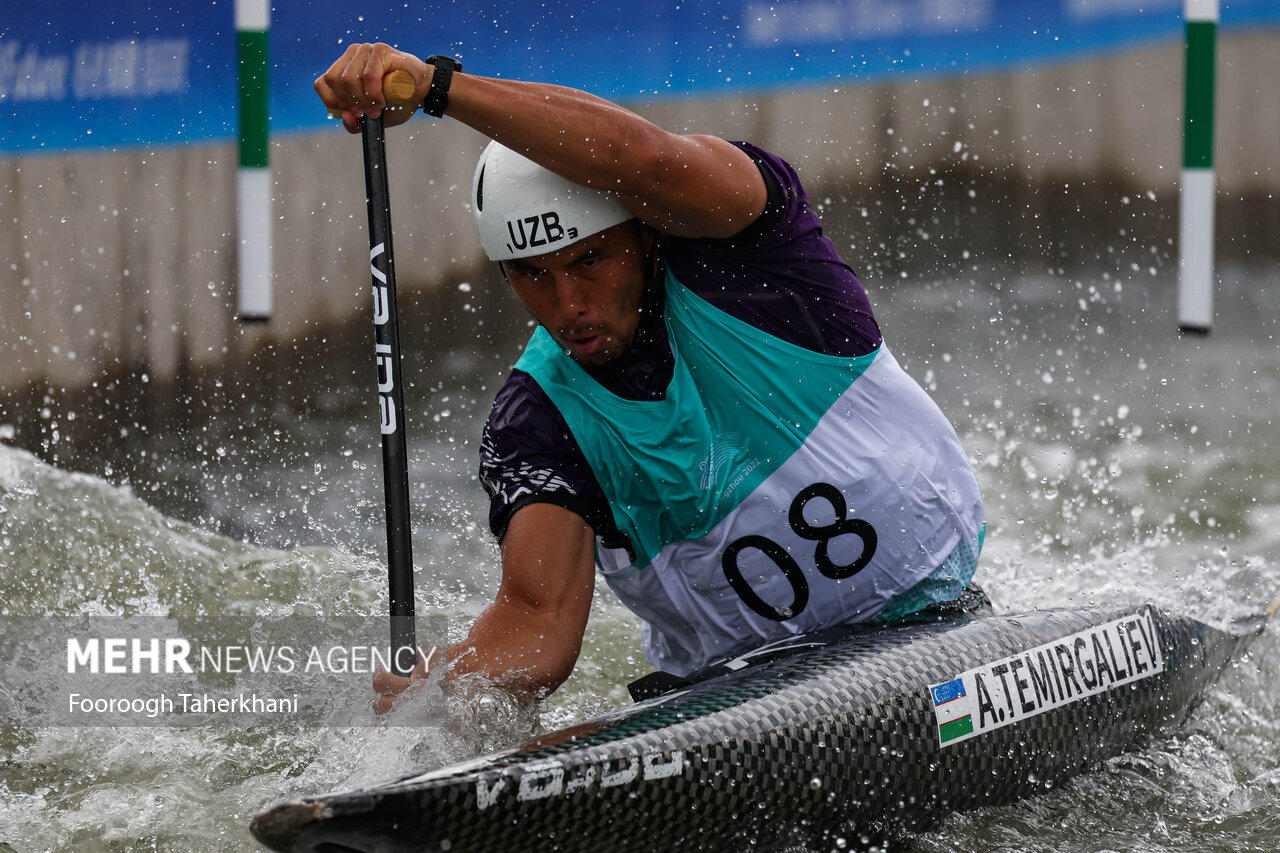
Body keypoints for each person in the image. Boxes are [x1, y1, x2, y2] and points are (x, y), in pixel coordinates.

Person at [314, 44, 986, 714]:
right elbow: (536, 620)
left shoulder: (751, 247)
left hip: (931, 618)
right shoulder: (538, 420)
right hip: (743, 700)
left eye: (590, 260)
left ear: (643, 233)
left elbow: (646, 159)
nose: (569, 302)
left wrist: (436, 87)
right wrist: (441, 690)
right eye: (533, 274)